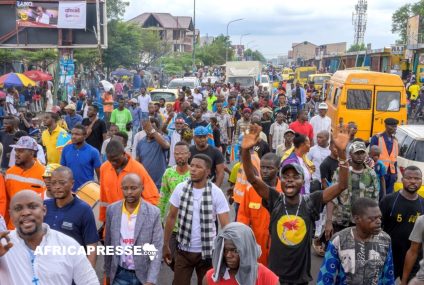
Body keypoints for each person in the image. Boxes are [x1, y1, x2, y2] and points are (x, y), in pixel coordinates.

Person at [241, 124, 350, 284]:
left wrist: (341, 153)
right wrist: (245, 151)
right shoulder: (275, 199)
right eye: (286, 176)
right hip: (274, 277)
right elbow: (252, 178)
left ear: (302, 181)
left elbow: (342, 185)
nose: (290, 179)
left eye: (295, 176)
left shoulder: (311, 202)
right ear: (281, 181)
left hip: (300, 278)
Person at [0, 190, 99, 284]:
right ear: (11, 215)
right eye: (18, 208)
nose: (26, 212)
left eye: (32, 207)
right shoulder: (3, 245)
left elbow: (89, 281)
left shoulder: (67, 244)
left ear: (44, 210)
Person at [163, 154, 230, 285]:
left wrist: (224, 253)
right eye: (192, 165)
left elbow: (226, 227)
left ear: (208, 171)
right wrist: (165, 244)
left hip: (207, 252)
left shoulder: (216, 193)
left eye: (198, 167)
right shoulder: (180, 188)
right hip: (183, 250)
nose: (192, 169)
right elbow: (171, 217)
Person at [317, 197, 395, 284]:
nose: (379, 222)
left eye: (379, 217)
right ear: (356, 219)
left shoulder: (385, 240)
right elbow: (326, 277)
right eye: (373, 218)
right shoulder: (339, 240)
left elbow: (388, 276)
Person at [104, 173, 163, 285]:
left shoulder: (153, 213)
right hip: (119, 273)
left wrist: (151, 280)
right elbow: (108, 243)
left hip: (143, 276)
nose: (129, 192)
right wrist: (107, 274)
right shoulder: (112, 210)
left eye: (133, 188)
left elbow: (157, 248)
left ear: (142, 188)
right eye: (125, 188)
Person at [44, 166, 99, 267]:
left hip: (73, 274)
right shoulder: (44, 206)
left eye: (62, 182)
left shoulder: (84, 209)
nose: (57, 186)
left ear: (72, 184)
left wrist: (89, 276)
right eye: (54, 183)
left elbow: (92, 246)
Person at [99, 140, 159, 226]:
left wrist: (139, 219)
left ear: (124, 154)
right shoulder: (104, 168)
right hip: (113, 221)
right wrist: (104, 220)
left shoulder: (138, 169)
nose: (113, 163)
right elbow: (103, 197)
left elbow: (152, 198)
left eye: (116, 160)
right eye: (110, 160)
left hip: (133, 222)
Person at [380, 166, 424, 282]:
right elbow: (378, 228)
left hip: (414, 257)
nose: (413, 181)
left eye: (417, 178)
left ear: (421, 181)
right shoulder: (389, 200)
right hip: (390, 255)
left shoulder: (422, 203)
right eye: (409, 178)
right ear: (402, 179)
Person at [237, 153, 282, 266]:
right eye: (262, 167)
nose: (265, 171)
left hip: (278, 247)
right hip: (255, 246)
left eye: (269, 168)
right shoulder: (250, 190)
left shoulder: (285, 192)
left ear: (278, 168)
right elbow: (243, 219)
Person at [327, 140, 379, 235]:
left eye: (362, 153)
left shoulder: (371, 174)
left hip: (362, 222)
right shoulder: (341, 171)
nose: (360, 156)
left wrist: (373, 221)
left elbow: (374, 200)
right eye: (356, 153)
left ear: (366, 154)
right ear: (351, 154)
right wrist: (328, 222)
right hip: (341, 222)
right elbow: (332, 197)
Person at [202, 222, 280, 285]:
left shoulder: (266, 277)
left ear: (247, 250)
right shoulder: (211, 279)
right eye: (225, 250)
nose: (228, 255)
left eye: (235, 250)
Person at [159, 141, 191, 270]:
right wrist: (160, 218)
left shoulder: (194, 174)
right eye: (177, 154)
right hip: (173, 226)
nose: (180, 156)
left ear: (189, 154)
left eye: (183, 153)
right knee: (170, 258)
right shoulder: (168, 173)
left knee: (185, 262)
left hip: (190, 226)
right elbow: (163, 197)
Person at [5, 136, 46, 229]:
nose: (16, 154)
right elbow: (6, 201)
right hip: (12, 228)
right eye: (16, 150)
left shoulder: (44, 174)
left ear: (32, 153)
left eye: (21, 151)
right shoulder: (10, 172)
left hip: (33, 229)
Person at [60, 124, 101, 192]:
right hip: (69, 190)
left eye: (77, 134)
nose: (73, 136)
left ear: (85, 136)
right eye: (72, 134)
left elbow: (99, 173)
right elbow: (63, 169)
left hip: (87, 190)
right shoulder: (66, 149)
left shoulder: (93, 151)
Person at [136, 119, 170, 189]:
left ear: (157, 129)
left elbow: (166, 146)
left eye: (152, 128)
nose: (150, 130)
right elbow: (137, 162)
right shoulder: (141, 143)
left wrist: (154, 133)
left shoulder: (164, 138)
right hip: (145, 183)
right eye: (147, 128)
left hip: (160, 183)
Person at [370, 118, 399, 195]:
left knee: (389, 195)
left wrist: (396, 173)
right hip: (379, 171)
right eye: (391, 126)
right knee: (378, 193)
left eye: (395, 126)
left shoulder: (395, 140)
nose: (394, 128)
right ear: (386, 125)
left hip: (391, 173)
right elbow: (371, 155)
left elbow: (395, 158)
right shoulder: (377, 138)